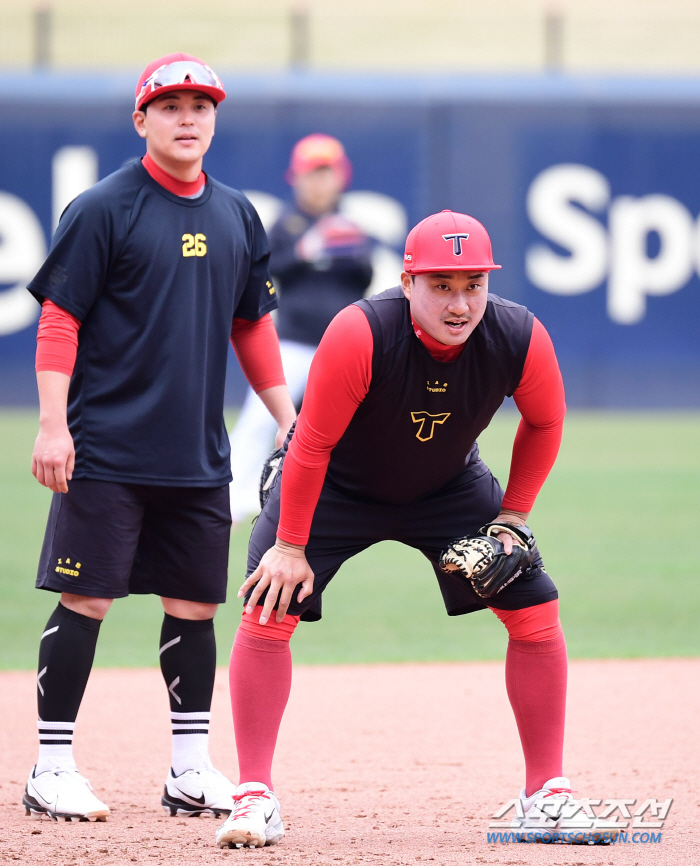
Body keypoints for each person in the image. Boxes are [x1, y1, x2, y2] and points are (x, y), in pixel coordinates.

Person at [215, 209, 594, 850]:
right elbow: (311, 443)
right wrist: (289, 544)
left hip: (446, 487)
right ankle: (254, 795)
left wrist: (513, 517)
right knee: (267, 605)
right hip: (334, 483)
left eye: (472, 284)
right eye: (440, 284)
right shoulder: (361, 332)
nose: (459, 301)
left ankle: (545, 794)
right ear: (407, 280)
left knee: (535, 609)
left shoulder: (518, 335)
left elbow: (546, 422)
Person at [22, 53, 296, 823]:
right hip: (106, 448)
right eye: (170, 105)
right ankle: (50, 767)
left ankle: (187, 769)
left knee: (195, 606)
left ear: (214, 120)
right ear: (141, 120)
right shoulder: (105, 207)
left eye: (200, 106)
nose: (187, 118)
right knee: (87, 599)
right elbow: (59, 319)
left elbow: (253, 325)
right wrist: (53, 424)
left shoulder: (238, 213)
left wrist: (285, 416)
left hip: (196, 456)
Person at [228, 133, 373, 522]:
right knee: (260, 418)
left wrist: (348, 250)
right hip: (293, 342)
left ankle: (347, 504)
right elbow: (272, 271)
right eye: (312, 174)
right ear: (297, 178)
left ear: (340, 177)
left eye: (326, 173)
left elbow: (362, 279)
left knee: (352, 425)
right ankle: (233, 496)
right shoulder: (287, 225)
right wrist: (307, 250)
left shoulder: (349, 226)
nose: (320, 183)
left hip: (339, 344)